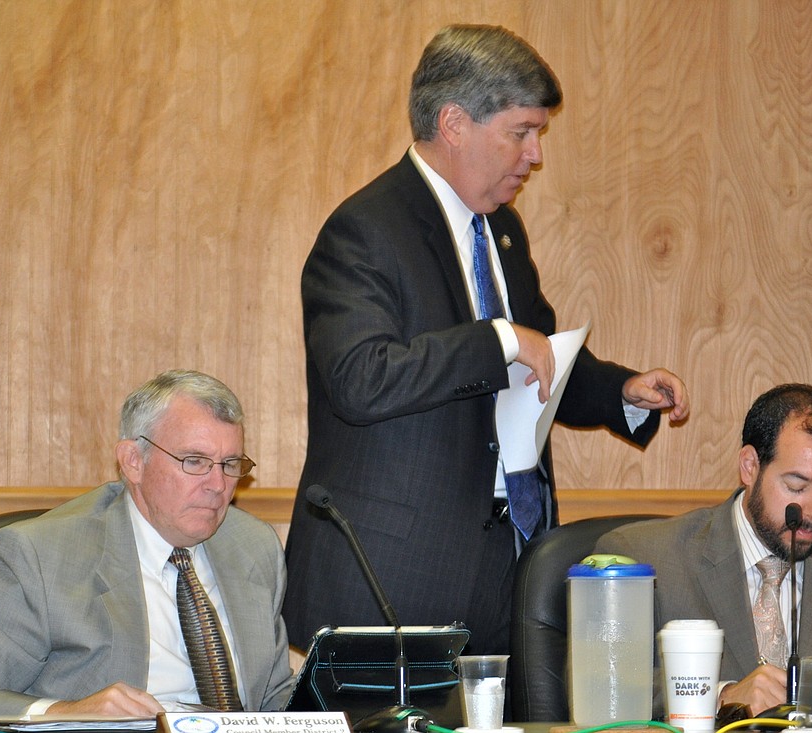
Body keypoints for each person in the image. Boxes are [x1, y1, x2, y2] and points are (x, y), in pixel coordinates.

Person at [284, 24, 689, 656]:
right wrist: (496, 338)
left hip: (507, 570)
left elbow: (538, 357)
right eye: (521, 132)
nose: (535, 156)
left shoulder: (502, 232)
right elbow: (360, 379)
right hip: (389, 578)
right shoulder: (364, 230)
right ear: (453, 123)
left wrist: (623, 392)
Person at [0, 370, 294, 715]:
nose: (217, 484)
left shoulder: (253, 545)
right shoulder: (42, 557)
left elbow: (273, 699)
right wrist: (66, 712)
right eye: (194, 461)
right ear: (133, 462)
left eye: (230, 464)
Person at [596, 383, 812, 716]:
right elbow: (604, 686)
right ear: (750, 467)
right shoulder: (646, 559)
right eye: (797, 486)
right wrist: (722, 696)